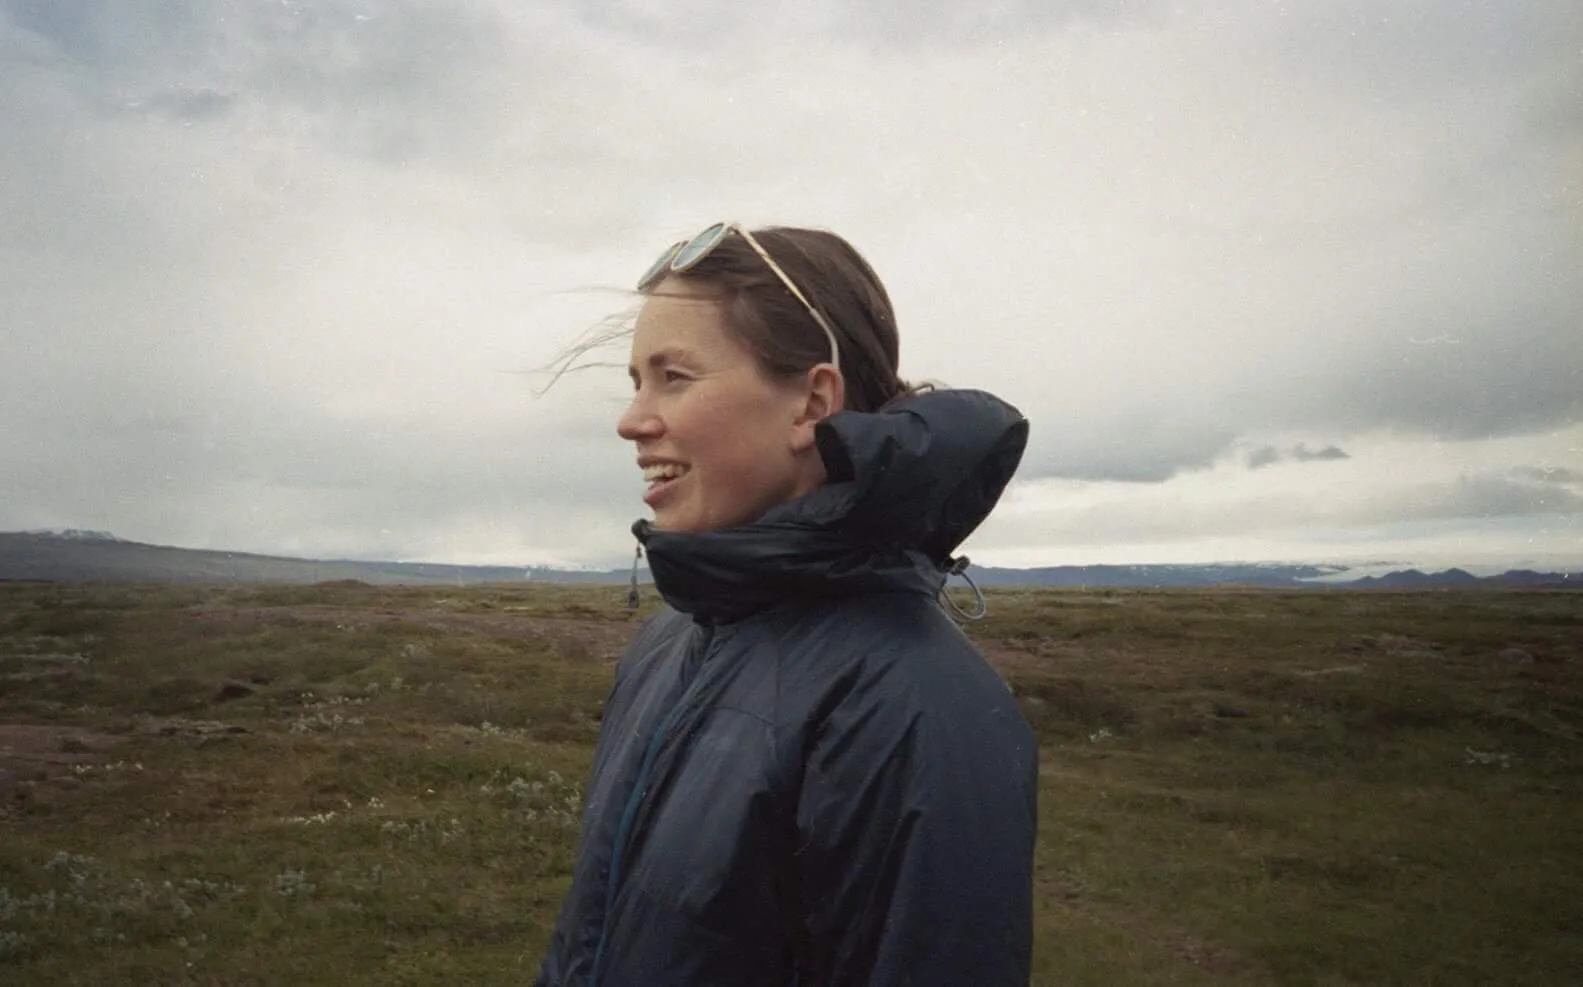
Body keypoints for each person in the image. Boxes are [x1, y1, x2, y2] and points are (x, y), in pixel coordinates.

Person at [533, 222, 1037, 986]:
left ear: (812, 401)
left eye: (673, 376)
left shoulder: (916, 706)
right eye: (636, 380)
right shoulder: (669, 641)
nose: (631, 420)